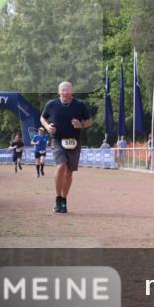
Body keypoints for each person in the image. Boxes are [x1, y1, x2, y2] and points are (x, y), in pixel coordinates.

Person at [41, 81, 92, 214]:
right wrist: (47, 127)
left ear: (72, 92)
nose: (65, 93)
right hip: (57, 140)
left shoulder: (80, 105)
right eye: (63, 90)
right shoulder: (52, 104)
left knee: (69, 172)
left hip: (74, 142)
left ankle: (64, 200)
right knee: (61, 165)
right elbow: (42, 118)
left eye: (68, 90)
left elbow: (89, 121)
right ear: (59, 92)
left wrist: (81, 124)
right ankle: (58, 198)